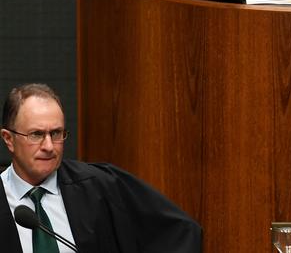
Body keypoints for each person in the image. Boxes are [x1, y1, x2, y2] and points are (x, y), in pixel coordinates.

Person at [0, 83, 202, 253]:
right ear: (9, 139)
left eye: (56, 133)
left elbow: (181, 231)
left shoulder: (100, 185)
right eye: (36, 134)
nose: (49, 146)